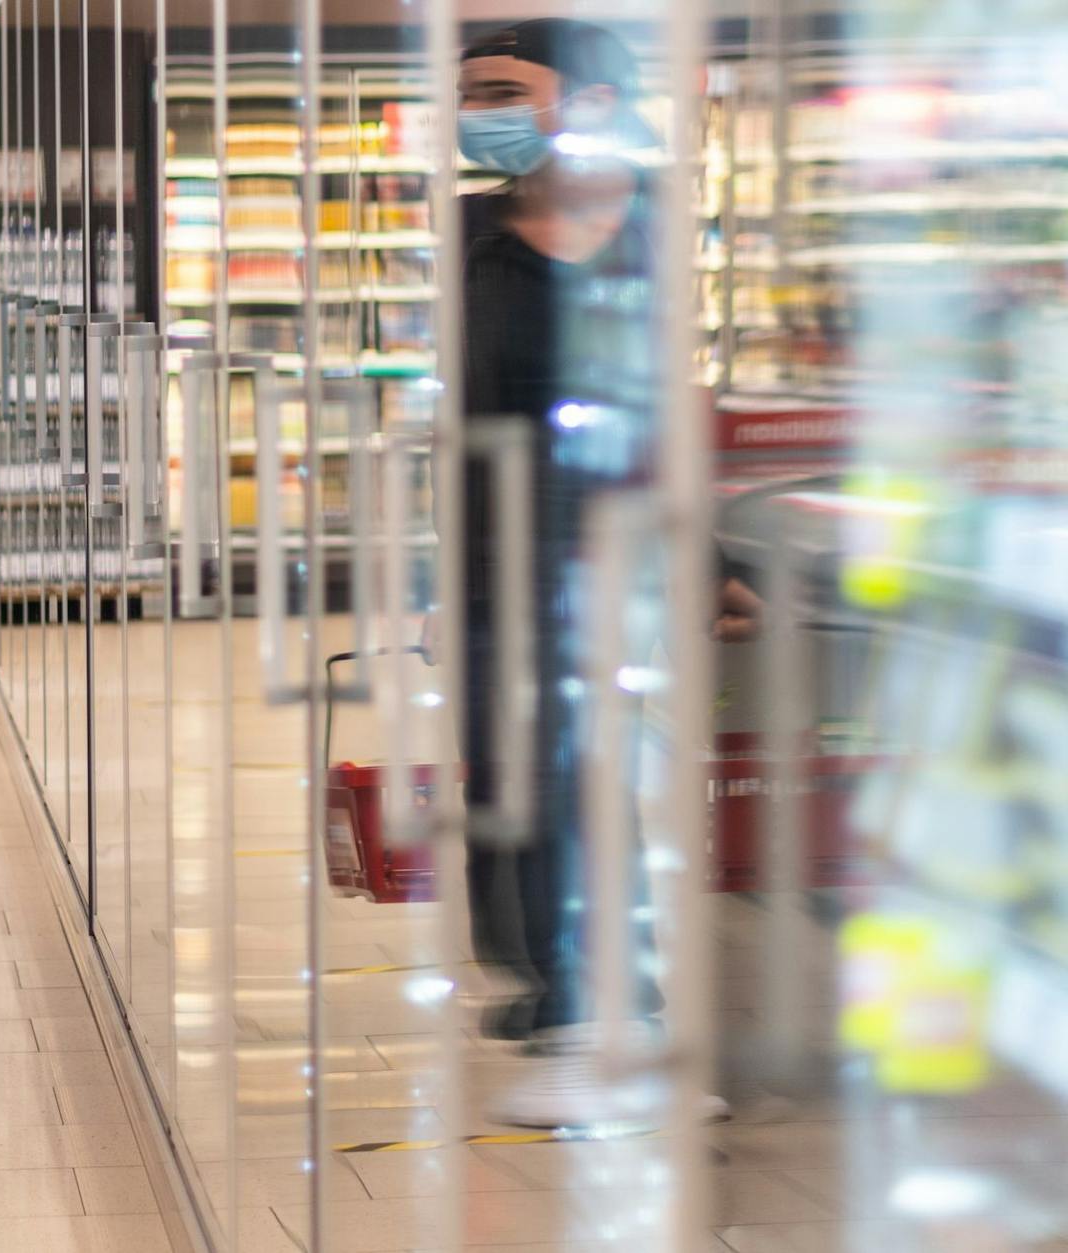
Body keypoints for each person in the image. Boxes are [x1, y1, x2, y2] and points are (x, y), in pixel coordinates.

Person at [450, 18, 731, 1129]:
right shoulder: (465, 235)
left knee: (585, 777)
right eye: (469, 94)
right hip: (493, 551)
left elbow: (666, 411)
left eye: (502, 92)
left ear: (594, 103)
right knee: (518, 782)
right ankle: (562, 1001)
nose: (477, 114)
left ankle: (603, 1020)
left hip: (614, 550)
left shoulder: (651, 229)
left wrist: (704, 558)